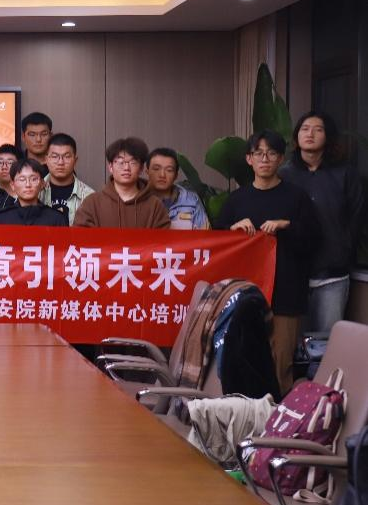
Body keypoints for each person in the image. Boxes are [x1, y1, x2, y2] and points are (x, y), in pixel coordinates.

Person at [215, 130, 321, 394]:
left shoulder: (296, 197)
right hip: (246, 294)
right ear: (249, 159)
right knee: (244, 358)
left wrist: (287, 226)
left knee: (281, 363)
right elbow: (216, 243)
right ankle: (248, 414)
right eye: (259, 153)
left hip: (286, 293)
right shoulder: (236, 200)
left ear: (281, 158)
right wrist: (232, 230)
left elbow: (313, 240)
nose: (265, 159)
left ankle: (278, 415)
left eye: (271, 153)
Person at [280, 110, 365, 334]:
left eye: (318, 130)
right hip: (294, 276)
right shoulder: (284, 176)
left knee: (327, 341)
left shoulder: (345, 174)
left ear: (328, 137)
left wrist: (343, 248)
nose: (310, 134)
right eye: (305, 129)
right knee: (293, 342)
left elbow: (356, 217)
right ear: (297, 137)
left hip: (332, 275)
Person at [73, 137, 170, 229]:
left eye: (133, 162)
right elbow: (80, 237)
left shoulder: (155, 205)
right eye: (120, 162)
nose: (126, 168)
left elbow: (164, 238)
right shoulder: (92, 203)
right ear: (110, 167)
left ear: (141, 168)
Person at [146, 147, 210, 230]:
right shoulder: (138, 199)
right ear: (147, 172)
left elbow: (205, 234)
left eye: (169, 170)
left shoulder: (191, 200)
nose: (162, 175)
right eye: (156, 169)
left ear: (176, 175)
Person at [0, 160, 68, 227]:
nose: (28, 185)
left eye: (33, 179)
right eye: (22, 179)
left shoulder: (56, 219)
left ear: (42, 183)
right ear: (12, 185)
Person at [39, 133, 94, 225]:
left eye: (67, 157)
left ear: (75, 161)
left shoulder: (89, 197)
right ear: (46, 160)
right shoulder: (33, 191)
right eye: (55, 156)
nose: (60, 162)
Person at [20, 112, 52, 176]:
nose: (38, 139)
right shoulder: (16, 163)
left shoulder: (59, 165)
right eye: (32, 135)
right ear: (23, 137)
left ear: (51, 136)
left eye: (44, 134)